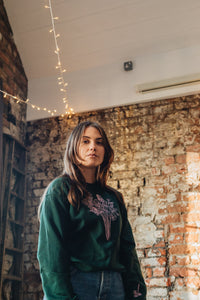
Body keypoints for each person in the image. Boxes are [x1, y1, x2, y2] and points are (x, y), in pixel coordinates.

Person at [37, 121, 147, 300]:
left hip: (116, 286)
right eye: (86, 141)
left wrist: (137, 291)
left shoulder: (114, 197)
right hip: (78, 283)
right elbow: (51, 252)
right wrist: (60, 297)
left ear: (106, 150)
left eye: (99, 142)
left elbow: (127, 249)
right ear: (73, 147)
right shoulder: (60, 190)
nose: (93, 147)